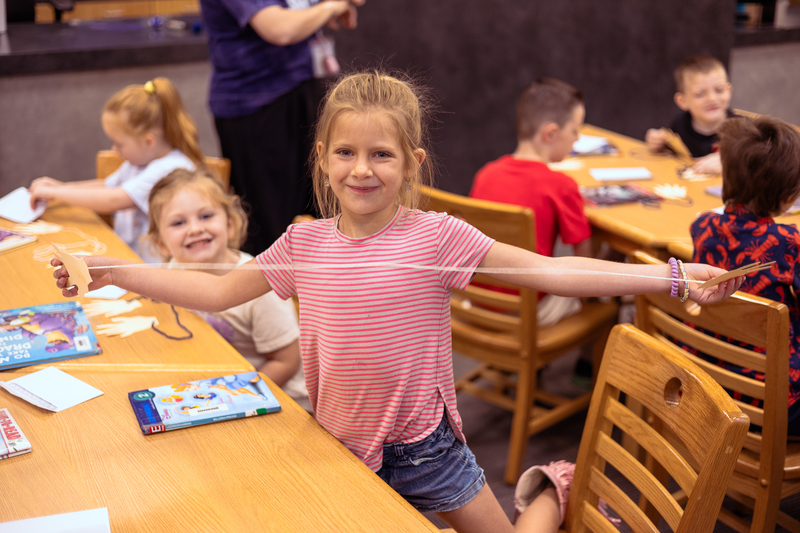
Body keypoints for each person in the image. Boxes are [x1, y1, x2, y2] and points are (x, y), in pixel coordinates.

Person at [53, 71, 743, 532]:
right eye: (346, 153)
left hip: (425, 449)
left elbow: (547, 272)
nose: (361, 169)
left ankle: (550, 491)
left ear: (412, 162)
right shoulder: (303, 243)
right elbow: (214, 287)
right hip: (336, 441)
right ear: (322, 158)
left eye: (381, 154)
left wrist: (674, 279)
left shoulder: (436, 236)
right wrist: (114, 270)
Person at [201, 0, 365, 256]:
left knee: (324, 211)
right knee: (272, 228)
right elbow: (279, 28)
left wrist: (317, 10)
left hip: (300, 90)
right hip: (257, 107)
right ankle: (274, 296)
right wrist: (331, 6)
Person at [144, 168, 306, 403]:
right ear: (161, 244)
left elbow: (286, 361)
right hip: (212, 378)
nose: (195, 229)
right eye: (179, 222)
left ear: (230, 224)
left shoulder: (259, 286)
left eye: (206, 216)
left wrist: (234, 397)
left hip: (275, 395)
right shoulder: (172, 268)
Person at [690, 115, 800, 436]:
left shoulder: (702, 227)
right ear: (787, 198)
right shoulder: (788, 243)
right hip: (770, 399)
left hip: (709, 383)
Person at [28, 78, 201, 262]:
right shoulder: (139, 161)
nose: (114, 150)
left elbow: (114, 199)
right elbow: (107, 186)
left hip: (152, 272)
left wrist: (56, 192)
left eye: (119, 144)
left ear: (148, 141)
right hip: (125, 256)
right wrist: (61, 187)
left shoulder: (170, 170)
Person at [470, 78, 591, 328]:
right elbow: (585, 263)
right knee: (601, 299)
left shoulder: (485, 174)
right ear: (551, 133)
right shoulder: (561, 185)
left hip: (477, 303)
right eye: (575, 130)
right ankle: (586, 365)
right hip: (527, 312)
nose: (577, 140)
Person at [645, 55, 735, 176]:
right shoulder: (679, 125)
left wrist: (729, 162)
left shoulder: (742, 131)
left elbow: (760, 165)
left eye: (719, 90)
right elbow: (672, 153)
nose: (712, 99)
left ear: (729, 91)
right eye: (700, 94)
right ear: (682, 101)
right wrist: (657, 141)